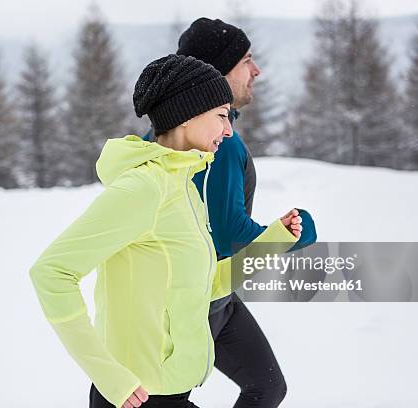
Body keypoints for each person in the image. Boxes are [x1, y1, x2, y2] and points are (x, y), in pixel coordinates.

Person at [29, 54, 302, 408]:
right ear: (187, 117)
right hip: (137, 399)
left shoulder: (184, 187)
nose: (229, 130)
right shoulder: (143, 189)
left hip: (171, 392)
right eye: (222, 115)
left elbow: (205, 285)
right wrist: (109, 376)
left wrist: (271, 243)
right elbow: (51, 272)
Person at [143, 18, 318, 407]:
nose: (256, 71)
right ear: (217, 72)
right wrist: (297, 232)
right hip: (191, 302)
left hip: (215, 296)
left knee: (267, 386)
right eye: (246, 60)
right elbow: (228, 234)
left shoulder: (172, 134)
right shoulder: (215, 144)